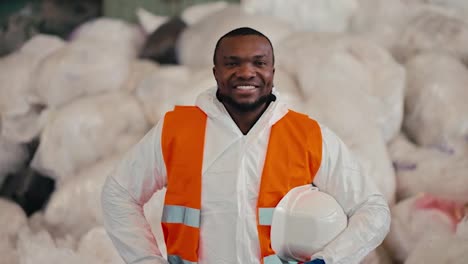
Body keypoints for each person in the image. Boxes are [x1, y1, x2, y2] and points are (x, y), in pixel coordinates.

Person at [101, 27, 391, 264]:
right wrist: (146, 260)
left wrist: (329, 260)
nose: (246, 72)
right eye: (232, 63)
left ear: (273, 72)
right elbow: (119, 193)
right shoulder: (176, 130)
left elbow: (373, 210)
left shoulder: (306, 134)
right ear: (215, 72)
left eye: (259, 63)